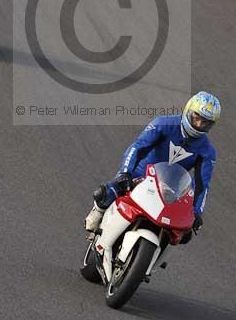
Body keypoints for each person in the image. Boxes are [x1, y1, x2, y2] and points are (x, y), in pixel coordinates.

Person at [85, 91, 221, 241]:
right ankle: (97, 215)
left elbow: (202, 184)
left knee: (185, 233)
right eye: (196, 118)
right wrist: (125, 172)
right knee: (104, 193)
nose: (199, 124)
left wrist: (196, 212)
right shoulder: (163, 124)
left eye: (205, 122)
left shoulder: (207, 151)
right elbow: (138, 147)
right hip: (139, 176)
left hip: (170, 191)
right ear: (188, 111)